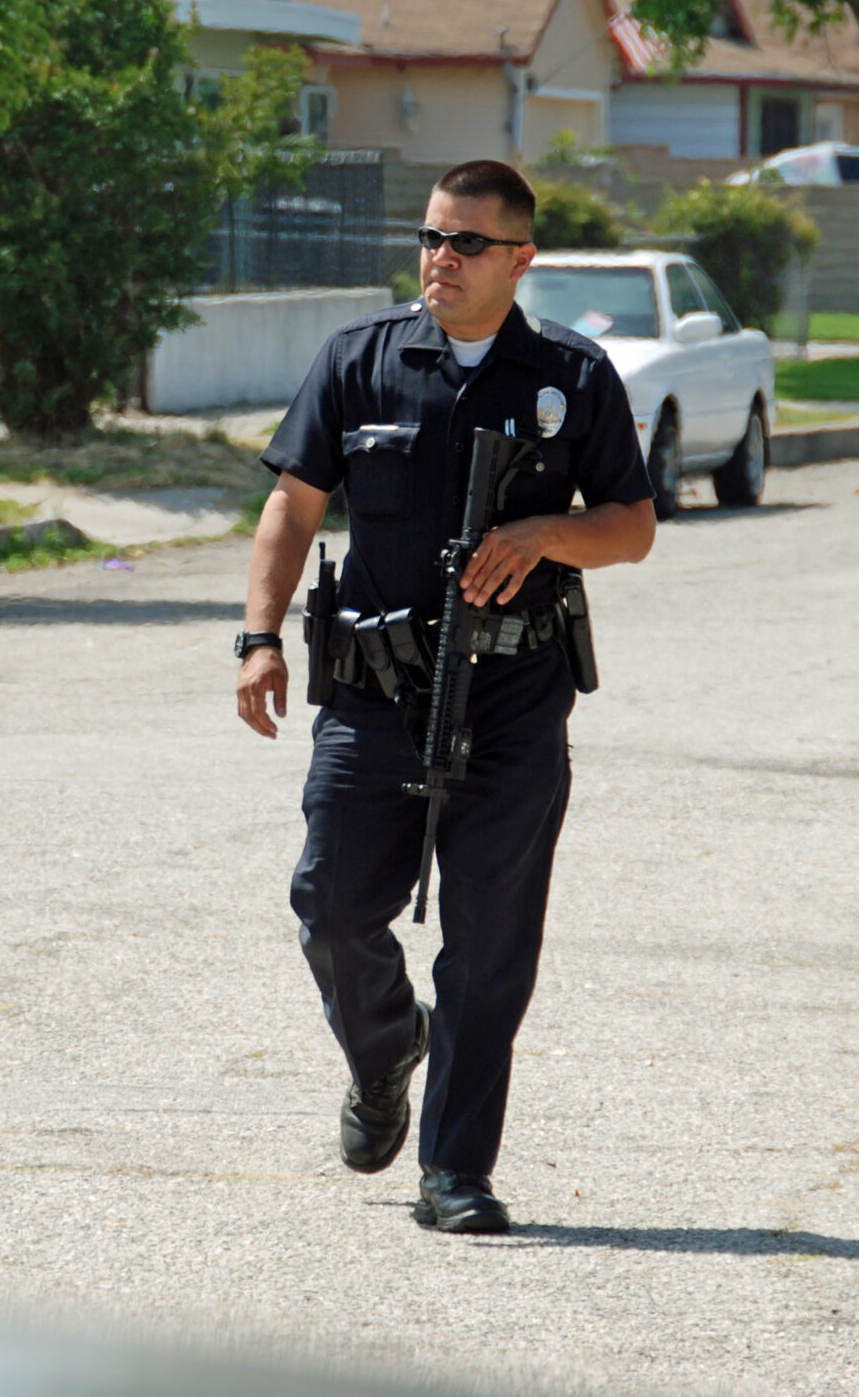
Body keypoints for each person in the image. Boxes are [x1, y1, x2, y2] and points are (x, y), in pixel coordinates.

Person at [235, 159, 658, 1236]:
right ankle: (385, 1051)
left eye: (467, 243)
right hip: (375, 691)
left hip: (514, 697)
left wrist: (543, 534)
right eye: (431, 237)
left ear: (520, 259)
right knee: (329, 905)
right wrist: (257, 637)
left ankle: (454, 1171)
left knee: (489, 942)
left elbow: (631, 525)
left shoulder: (571, 373)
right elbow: (291, 506)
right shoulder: (362, 360)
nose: (441, 258)